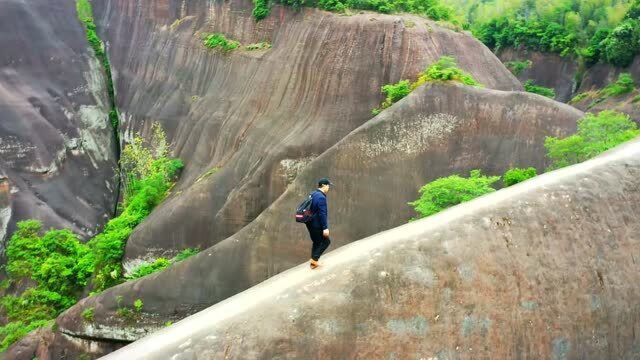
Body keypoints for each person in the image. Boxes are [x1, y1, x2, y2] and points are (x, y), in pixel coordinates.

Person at [306, 178, 332, 269]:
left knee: (316, 242)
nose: (329, 187)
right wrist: (325, 227)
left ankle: (313, 263)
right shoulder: (321, 197)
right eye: (328, 185)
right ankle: (314, 260)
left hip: (309, 222)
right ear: (324, 185)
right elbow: (322, 213)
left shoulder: (312, 194)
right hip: (317, 224)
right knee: (326, 242)